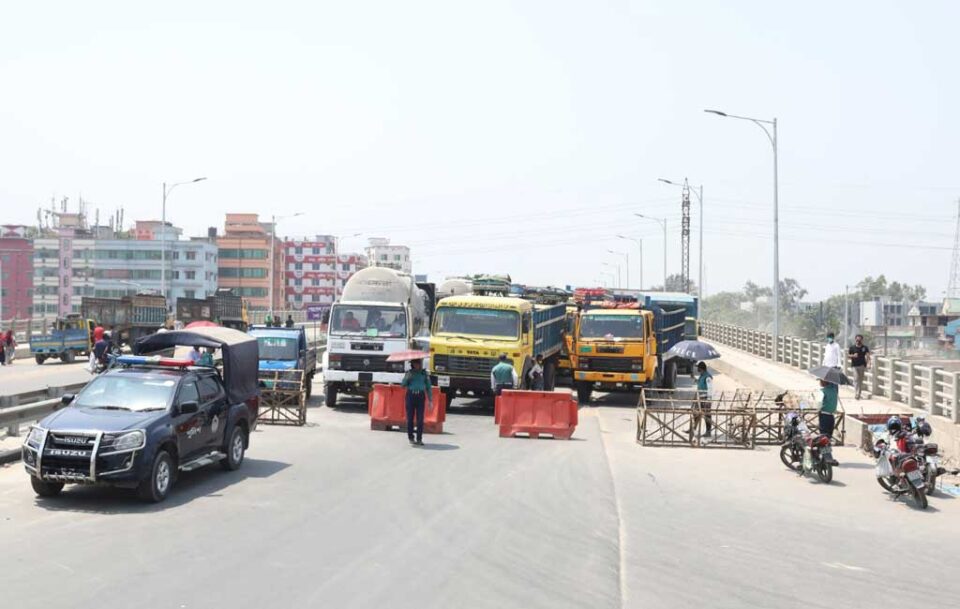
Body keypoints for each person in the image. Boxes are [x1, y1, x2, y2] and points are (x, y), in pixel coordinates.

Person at [400, 358, 433, 446]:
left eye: (418, 363)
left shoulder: (424, 374)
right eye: (415, 363)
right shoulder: (409, 373)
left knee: (420, 419)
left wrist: (430, 400)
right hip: (410, 396)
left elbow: (428, 387)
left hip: (420, 396)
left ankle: (419, 439)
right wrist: (407, 378)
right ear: (412, 364)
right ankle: (411, 437)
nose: (417, 365)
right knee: (410, 418)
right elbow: (402, 385)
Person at [819, 379, 840, 465]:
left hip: (824, 416)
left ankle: (827, 457)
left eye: (820, 381)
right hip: (831, 417)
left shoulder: (822, 391)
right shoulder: (834, 391)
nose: (819, 382)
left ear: (824, 382)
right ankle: (827, 455)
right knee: (828, 437)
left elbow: (818, 404)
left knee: (823, 438)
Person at [848, 334, 871, 400]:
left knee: (860, 381)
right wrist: (853, 356)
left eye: (859, 340)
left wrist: (869, 364)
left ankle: (859, 393)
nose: (858, 341)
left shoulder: (865, 348)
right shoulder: (852, 347)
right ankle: (856, 393)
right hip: (854, 366)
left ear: (862, 340)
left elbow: (868, 356)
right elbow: (848, 356)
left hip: (862, 365)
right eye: (857, 340)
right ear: (855, 340)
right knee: (856, 379)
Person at [696, 361, 714, 437]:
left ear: (701, 369)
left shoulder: (708, 377)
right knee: (696, 413)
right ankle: (693, 429)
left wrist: (708, 400)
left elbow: (710, 389)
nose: (698, 370)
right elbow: (700, 383)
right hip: (700, 398)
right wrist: (693, 378)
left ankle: (708, 432)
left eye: (698, 368)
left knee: (707, 415)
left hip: (705, 399)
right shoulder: (702, 375)